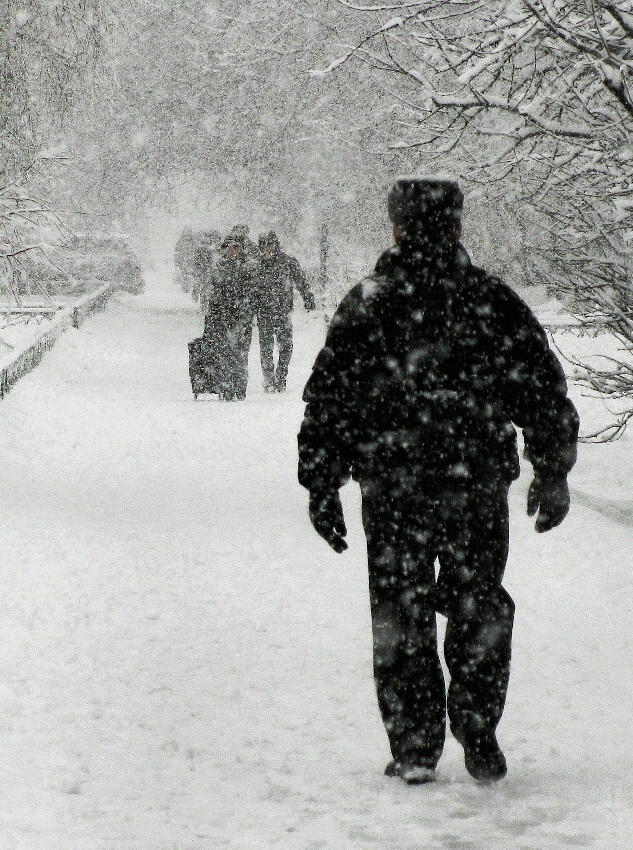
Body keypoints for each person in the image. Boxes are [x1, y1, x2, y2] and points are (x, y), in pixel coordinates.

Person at [297, 176, 579, 785]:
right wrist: (551, 469)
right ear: (457, 227)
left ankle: (416, 745)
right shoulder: (490, 301)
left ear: (395, 227)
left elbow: (329, 402)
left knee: (401, 613)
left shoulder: (370, 302)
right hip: (472, 485)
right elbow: (540, 387)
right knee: (478, 604)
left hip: (394, 487)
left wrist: (323, 484)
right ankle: (476, 727)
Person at [253, 230, 316, 392]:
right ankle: (268, 377)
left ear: (276, 245)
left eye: (271, 244)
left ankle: (281, 376)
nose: (268, 248)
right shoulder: (256, 264)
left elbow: (301, 281)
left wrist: (308, 298)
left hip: (283, 311)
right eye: (265, 245)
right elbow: (250, 289)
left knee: (286, 346)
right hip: (264, 312)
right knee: (266, 347)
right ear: (261, 247)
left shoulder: (288, 262)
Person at [204, 234, 256, 401]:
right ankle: (226, 387)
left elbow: (254, 293)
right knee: (224, 353)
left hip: (242, 319)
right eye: (229, 248)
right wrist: (211, 318)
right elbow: (213, 294)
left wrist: (245, 308)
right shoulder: (219, 268)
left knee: (241, 354)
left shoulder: (248, 268)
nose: (232, 251)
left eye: (235, 248)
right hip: (223, 318)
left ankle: (240, 388)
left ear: (240, 250)